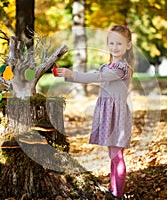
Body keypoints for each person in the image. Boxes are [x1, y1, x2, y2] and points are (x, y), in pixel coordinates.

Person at [56, 24, 135, 198]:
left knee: (117, 155)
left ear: (128, 45)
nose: (115, 47)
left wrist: (72, 74)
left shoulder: (121, 68)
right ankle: (113, 190)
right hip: (109, 113)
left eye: (119, 44)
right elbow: (95, 73)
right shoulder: (108, 66)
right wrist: (69, 76)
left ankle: (117, 194)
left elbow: (97, 78)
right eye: (112, 43)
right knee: (113, 155)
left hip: (116, 116)